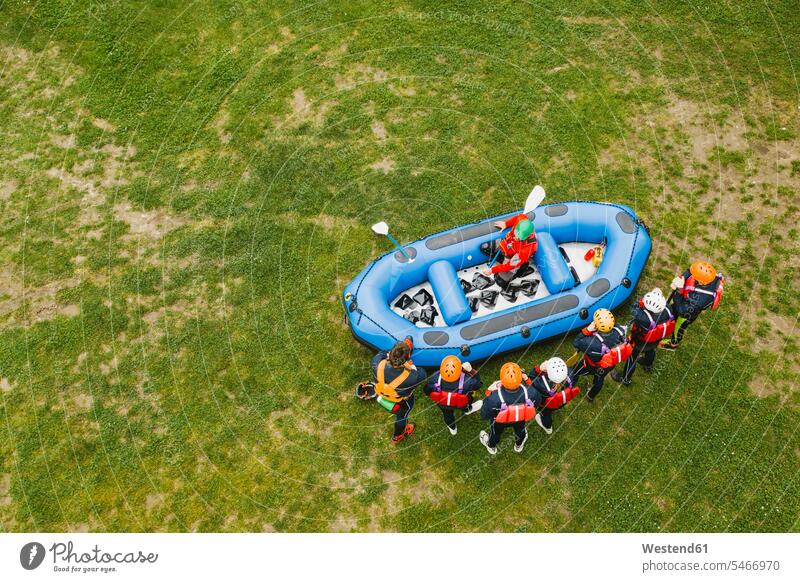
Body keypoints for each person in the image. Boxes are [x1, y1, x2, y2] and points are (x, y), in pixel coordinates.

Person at [611, 288, 673, 385]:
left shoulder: (642, 317)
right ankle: (647, 365)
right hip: (656, 339)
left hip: (640, 343)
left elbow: (634, 306)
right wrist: (657, 296)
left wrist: (645, 298)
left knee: (632, 358)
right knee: (651, 350)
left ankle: (625, 379)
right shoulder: (668, 309)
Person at [371, 338, 427, 443]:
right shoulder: (411, 378)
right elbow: (422, 373)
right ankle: (398, 435)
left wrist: (395, 352)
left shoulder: (376, 363)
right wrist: (411, 366)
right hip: (402, 402)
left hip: (382, 392)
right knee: (402, 417)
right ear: (408, 358)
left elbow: (382, 353)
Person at [661, 261, 724, 350]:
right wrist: (682, 277)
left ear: (701, 282)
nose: (692, 275)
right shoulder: (709, 276)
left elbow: (681, 310)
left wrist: (679, 290)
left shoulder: (699, 300)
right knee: (670, 311)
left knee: (678, 329)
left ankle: (673, 344)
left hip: (686, 314)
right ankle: (665, 323)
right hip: (685, 302)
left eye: (694, 276)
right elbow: (690, 271)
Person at [571, 308, 630, 402]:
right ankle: (590, 396)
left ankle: (570, 384)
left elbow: (576, 342)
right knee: (600, 378)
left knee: (574, 371)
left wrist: (587, 330)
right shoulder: (620, 331)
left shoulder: (592, 343)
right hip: (608, 365)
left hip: (591, 365)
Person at [479, 363, 536, 454]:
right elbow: (536, 397)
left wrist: (489, 391)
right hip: (519, 418)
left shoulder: (494, 398)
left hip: (500, 421)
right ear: (520, 377)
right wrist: (527, 379)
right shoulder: (530, 393)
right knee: (520, 431)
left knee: (495, 434)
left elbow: (484, 414)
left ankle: (491, 446)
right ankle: (519, 445)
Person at [424, 356, 483, 435]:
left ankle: (452, 428)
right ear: (460, 370)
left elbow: (427, 391)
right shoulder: (467, 381)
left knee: (447, 415)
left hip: (443, 404)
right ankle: (468, 410)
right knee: (466, 405)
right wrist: (471, 371)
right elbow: (479, 384)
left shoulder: (435, 377)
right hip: (460, 403)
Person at [479, 214, 538, 288]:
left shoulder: (526, 250)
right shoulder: (521, 219)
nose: (516, 237)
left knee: (500, 281)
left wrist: (492, 270)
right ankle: (502, 259)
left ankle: (521, 267)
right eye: (516, 234)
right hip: (506, 245)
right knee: (485, 247)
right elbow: (517, 217)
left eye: (519, 238)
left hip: (514, 257)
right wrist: (506, 224)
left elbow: (510, 265)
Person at [527, 357, 575, 434]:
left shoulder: (542, 385)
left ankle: (548, 427)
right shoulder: (571, 372)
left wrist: (538, 369)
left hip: (546, 404)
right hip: (561, 401)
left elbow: (531, 381)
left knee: (545, 414)